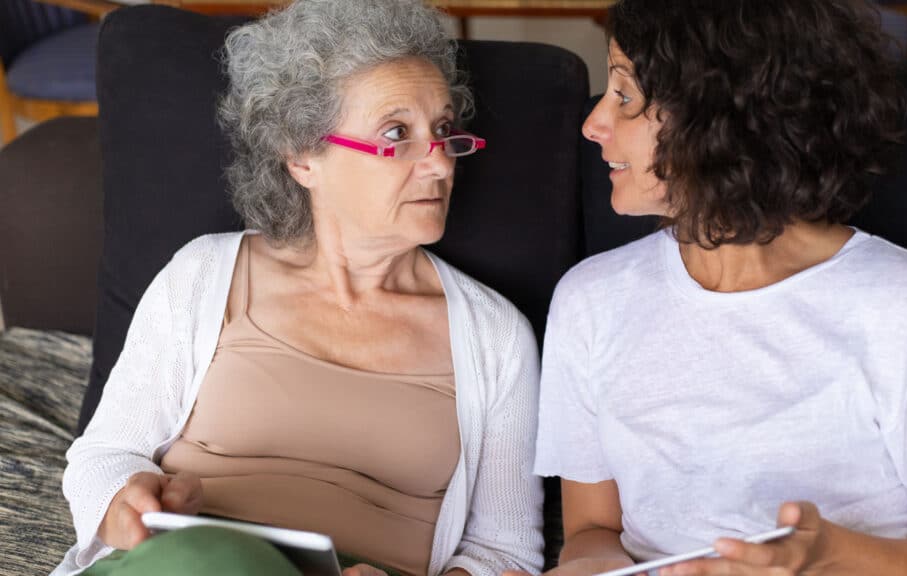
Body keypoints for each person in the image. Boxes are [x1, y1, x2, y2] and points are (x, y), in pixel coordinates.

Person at [528, 1, 907, 575]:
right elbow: (593, 530)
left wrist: (831, 557)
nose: (593, 124)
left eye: (625, 95)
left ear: (722, 117)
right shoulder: (590, 301)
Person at [52, 1, 543, 575]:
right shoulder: (205, 274)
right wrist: (125, 504)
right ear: (304, 156)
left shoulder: (496, 336)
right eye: (396, 134)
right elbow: (102, 457)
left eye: (442, 131)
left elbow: (504, 554)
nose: (439, 164)